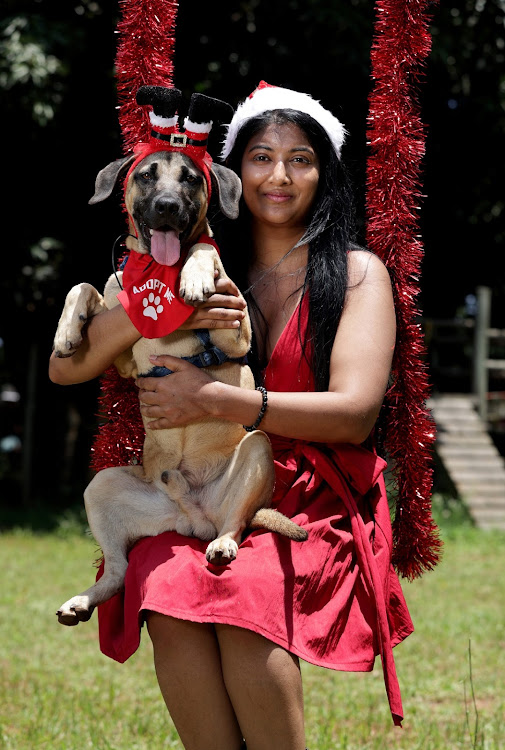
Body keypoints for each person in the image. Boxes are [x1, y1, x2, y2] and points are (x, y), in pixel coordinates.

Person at [49, 82, 414, 750]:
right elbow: (65, 369)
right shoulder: (197, 261)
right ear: (230, 175)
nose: (278, 175)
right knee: (163, 580)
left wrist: (215, 398)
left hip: (310, 491)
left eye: (299, 158)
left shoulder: (358, 274)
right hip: (197, 476)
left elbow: (355, 416)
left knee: (238, 591)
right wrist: (145, 308)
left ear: (324, 172)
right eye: (261, 157)